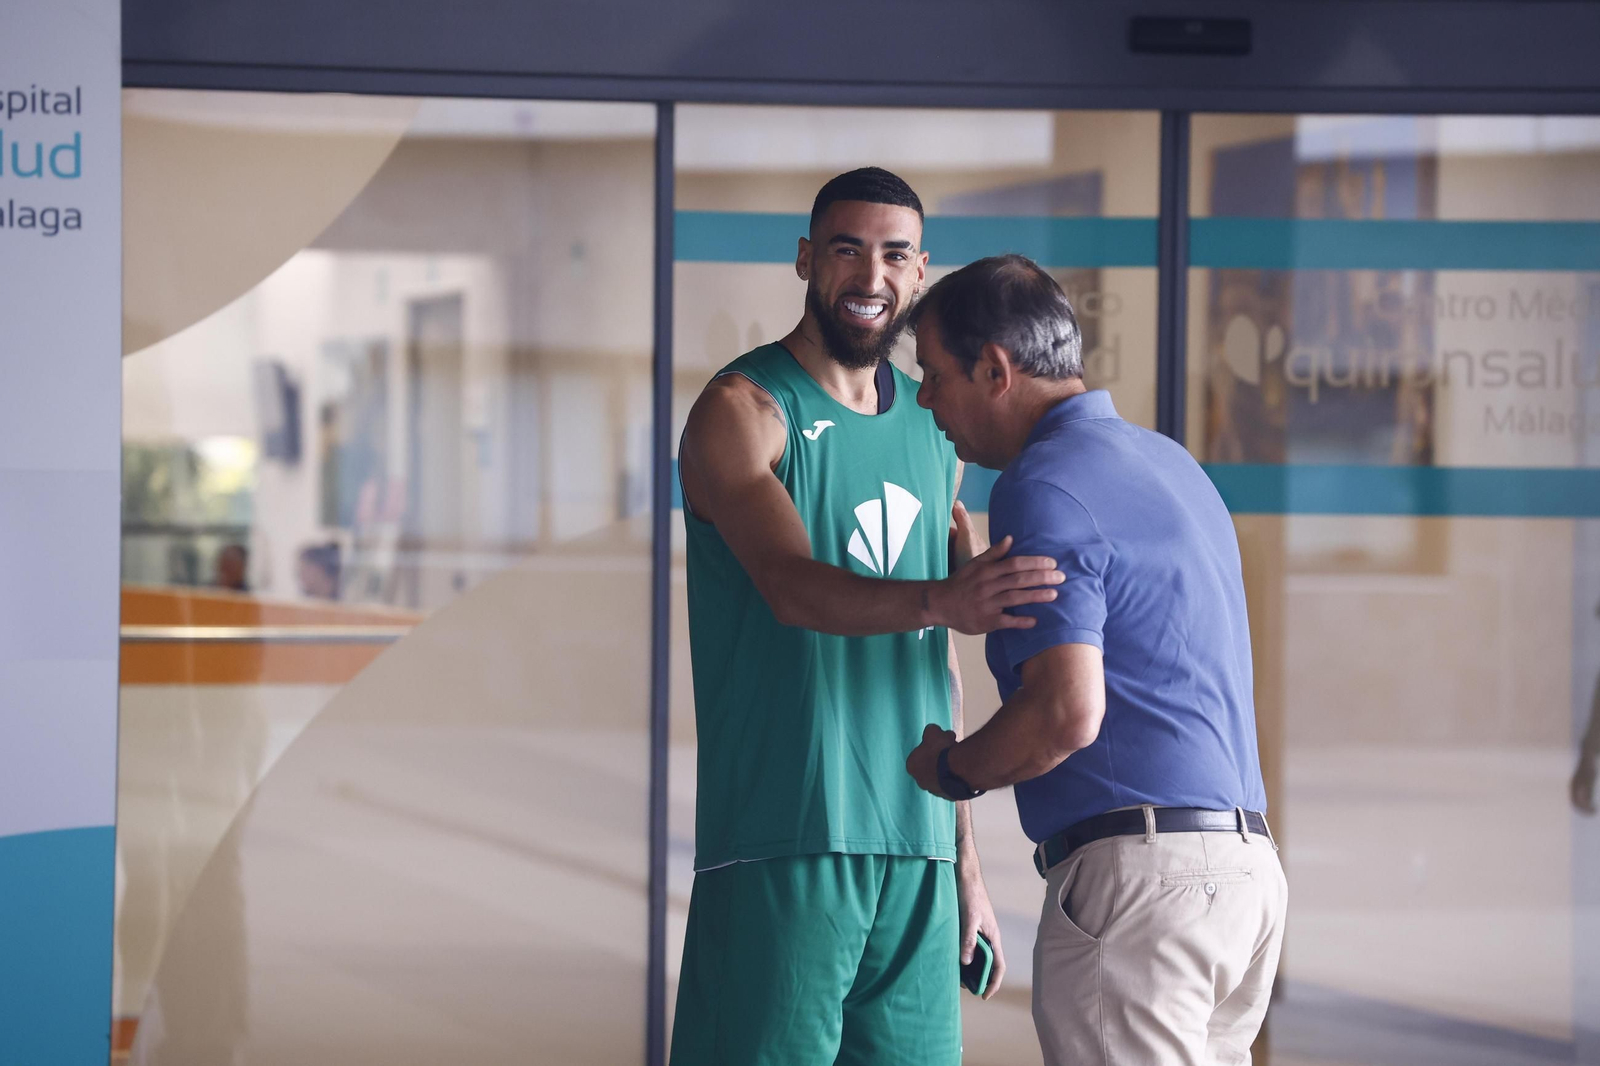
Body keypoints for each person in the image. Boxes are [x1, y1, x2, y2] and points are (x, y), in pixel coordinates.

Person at [671, 170, 1065, 1065]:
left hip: (918, 851)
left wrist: (964, 864)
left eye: (894, 254)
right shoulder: (742, 412)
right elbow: (790, 585)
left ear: (922, 272)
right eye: (847, 248)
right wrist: (945, 598)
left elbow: (940, 663)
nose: (870, 275)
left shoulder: (936, 429)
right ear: (807, 258)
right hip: (786, 837)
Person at [905, 254, 1288, 1066]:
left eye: (935, 374)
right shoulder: (1170, 466)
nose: (923, 398)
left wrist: (952, 769)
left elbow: (1067, 713)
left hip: (1144, 887)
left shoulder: (1043, 481)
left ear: (995, 369)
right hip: (1245, 879)